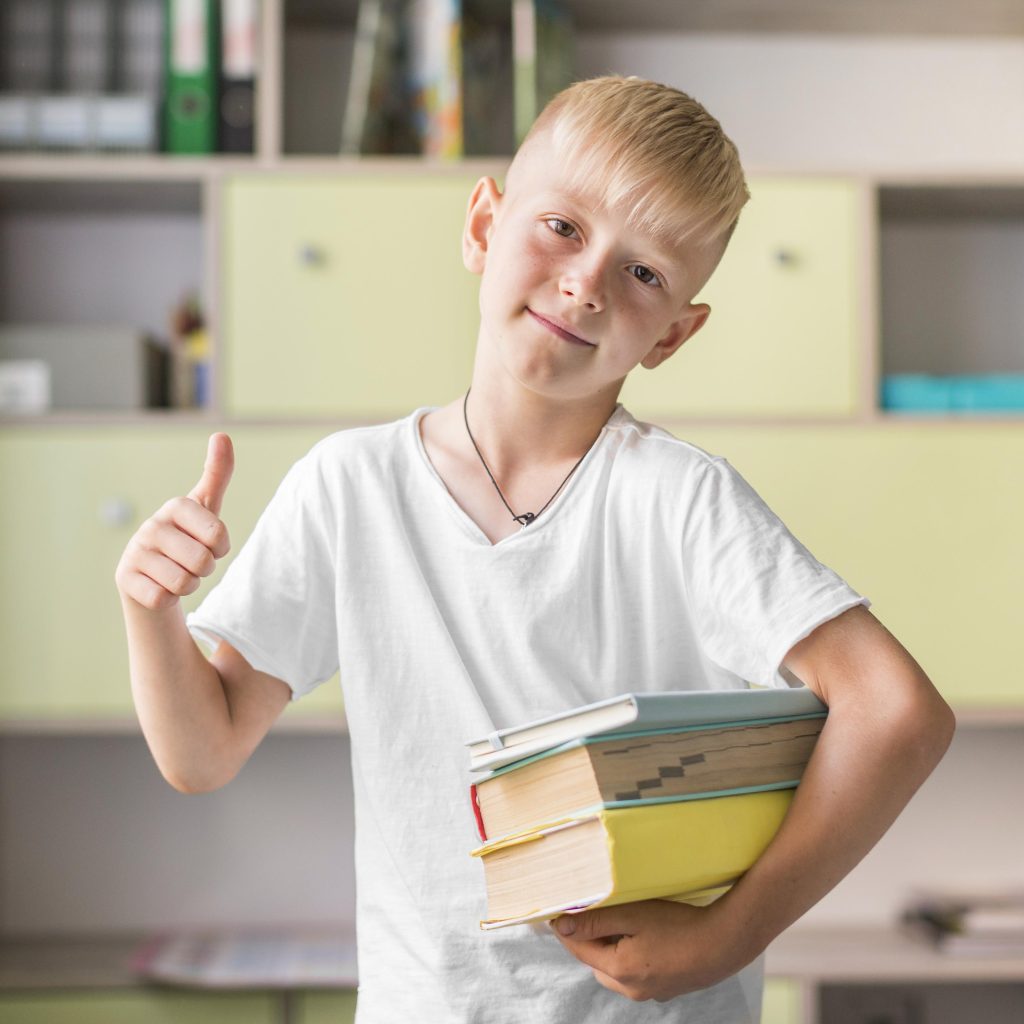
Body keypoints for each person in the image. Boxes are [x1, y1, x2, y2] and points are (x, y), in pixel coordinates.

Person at [115, 76, 955, 1022]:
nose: (585, 282)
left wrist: (731, 934)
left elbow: (896, 712)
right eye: (563, 226)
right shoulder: (348, 486)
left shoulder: (682, 501)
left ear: (673, 335)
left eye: (644, 274)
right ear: (483, 226)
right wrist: (152, 611)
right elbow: (203, 748)